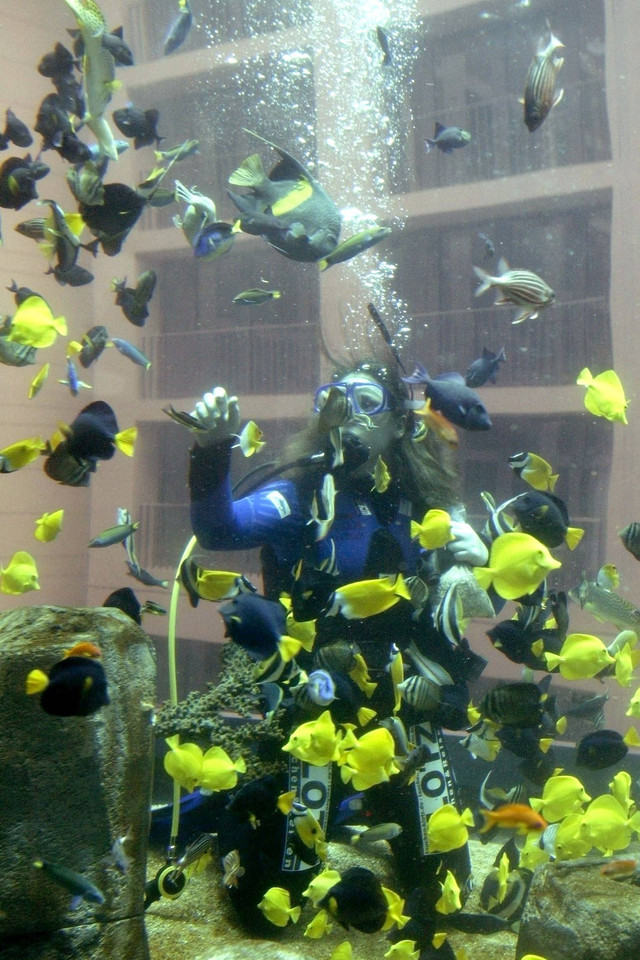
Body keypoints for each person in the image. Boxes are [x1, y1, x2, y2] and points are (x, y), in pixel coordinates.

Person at [182, 358, 492, 945]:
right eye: (336, 396)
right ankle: (242, 817)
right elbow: (221, 529)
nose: (349, 411)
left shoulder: (425, 505)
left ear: (400, 423)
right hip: (315, 699)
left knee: (444, 888)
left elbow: (471, 604)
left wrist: (484, 561)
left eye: (368, 400)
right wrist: (212, 449)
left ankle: (366, 814)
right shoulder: (301, 495)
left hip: (403, 704)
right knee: (267, 907)